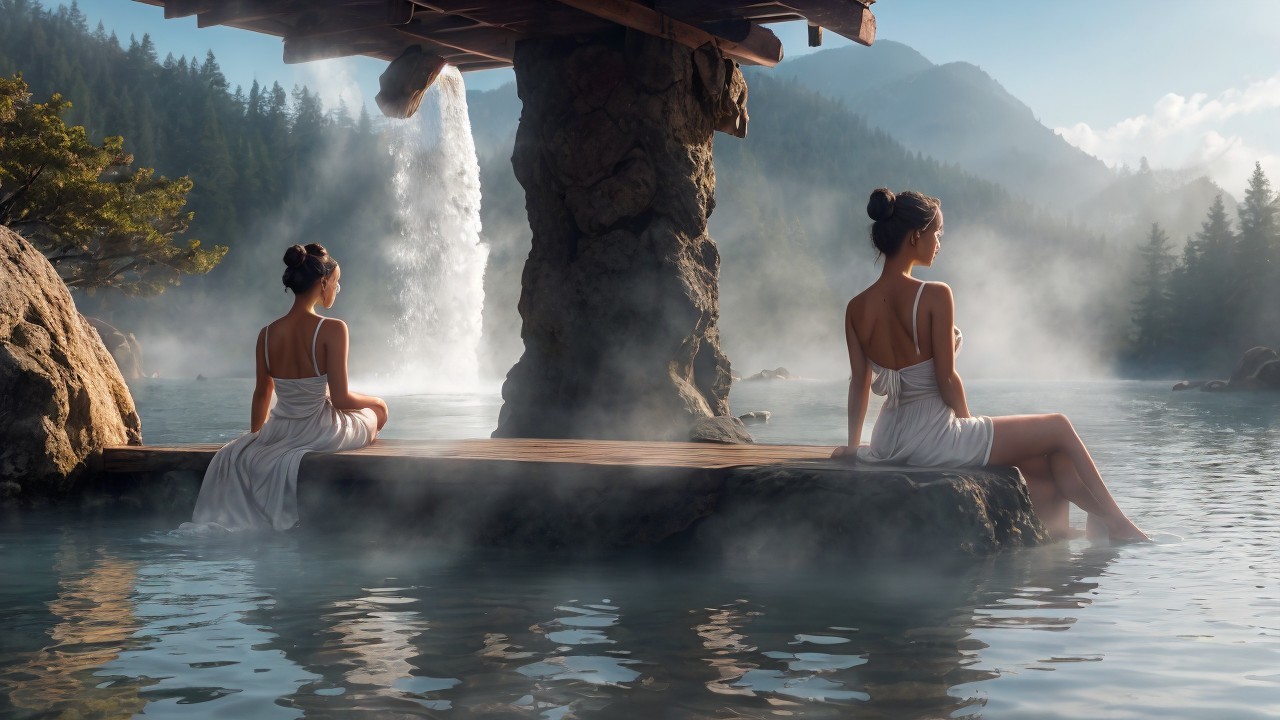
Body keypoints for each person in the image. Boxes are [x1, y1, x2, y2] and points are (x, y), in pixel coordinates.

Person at [831, 188, 1147, 542]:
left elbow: (859, 382)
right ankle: (1118, 521)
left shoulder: (856, 307)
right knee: (1059, 426)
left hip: (888, 439)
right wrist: (967, 425)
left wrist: (854, 447)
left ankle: (1064, 534)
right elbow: (946, 378)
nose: (939, 242)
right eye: (937, 233)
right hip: (936, 438)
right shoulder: (934, 294)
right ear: (916, 235)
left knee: (1049, 465)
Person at [183, 243, 389, 532]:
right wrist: (378, 403)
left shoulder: (266, 334)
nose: (337, 289)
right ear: (323, 282)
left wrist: (258, 439)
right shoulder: (332, 328)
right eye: (337, 282)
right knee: (375, 414)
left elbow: (262, 393)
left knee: (366, 413)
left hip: (280, 427)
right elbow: (341, 399)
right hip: (319, 428)